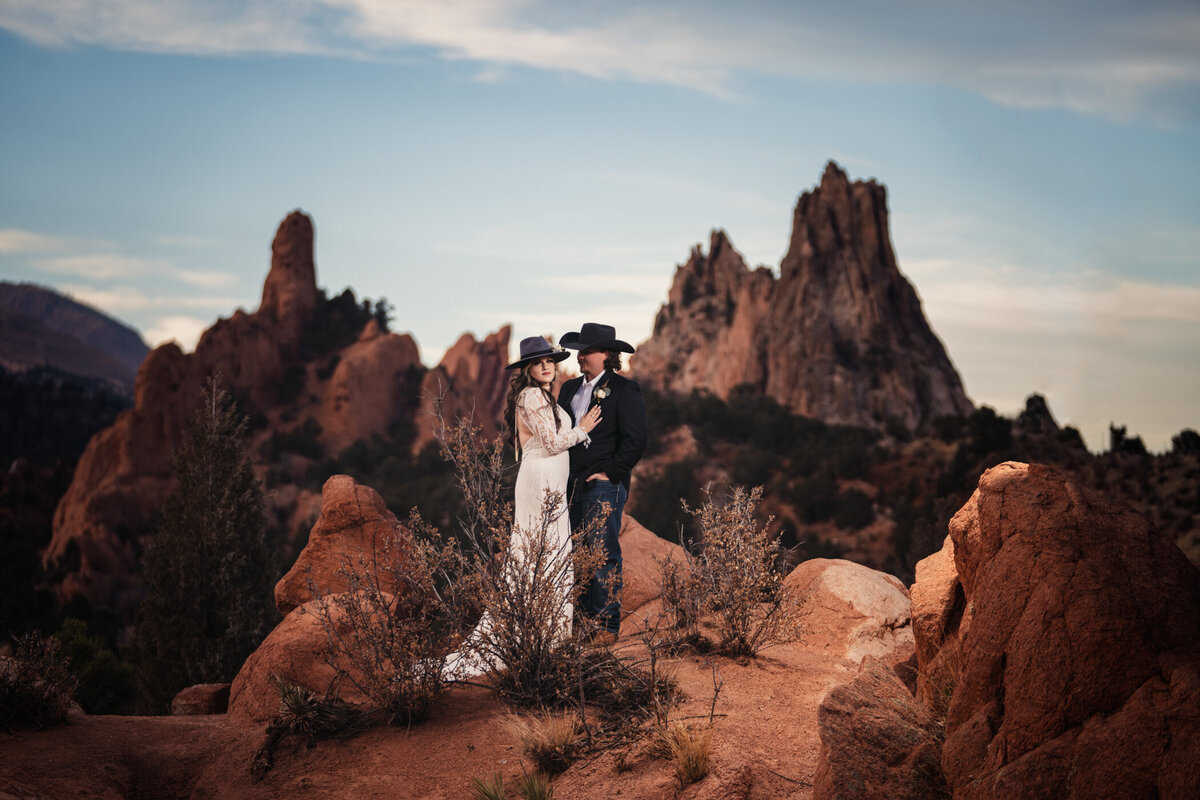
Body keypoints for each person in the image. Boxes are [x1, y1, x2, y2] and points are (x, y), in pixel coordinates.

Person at [443, 336, 601, 678]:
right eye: (538, 362)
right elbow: (551, 442)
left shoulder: (543, 396)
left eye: (550, 361)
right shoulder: (531, 396)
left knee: (550, 552)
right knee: (543, 551)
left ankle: (548, 636)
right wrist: (582, 428)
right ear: (528, 369)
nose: (546, 366)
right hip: (540, 480)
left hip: (551, 480)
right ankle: (543, 637)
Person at [557, 323, 648, 642]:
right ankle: (581, 625)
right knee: (579, 554)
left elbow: (636, 439)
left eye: (587, 350)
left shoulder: (624, 390)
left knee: (603, 553)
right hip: (572, 486)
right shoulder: (568, 389)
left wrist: (610, 472)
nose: (580, 356)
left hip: (604, 485)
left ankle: (606, 627)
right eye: (579, 350)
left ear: (607, 355)